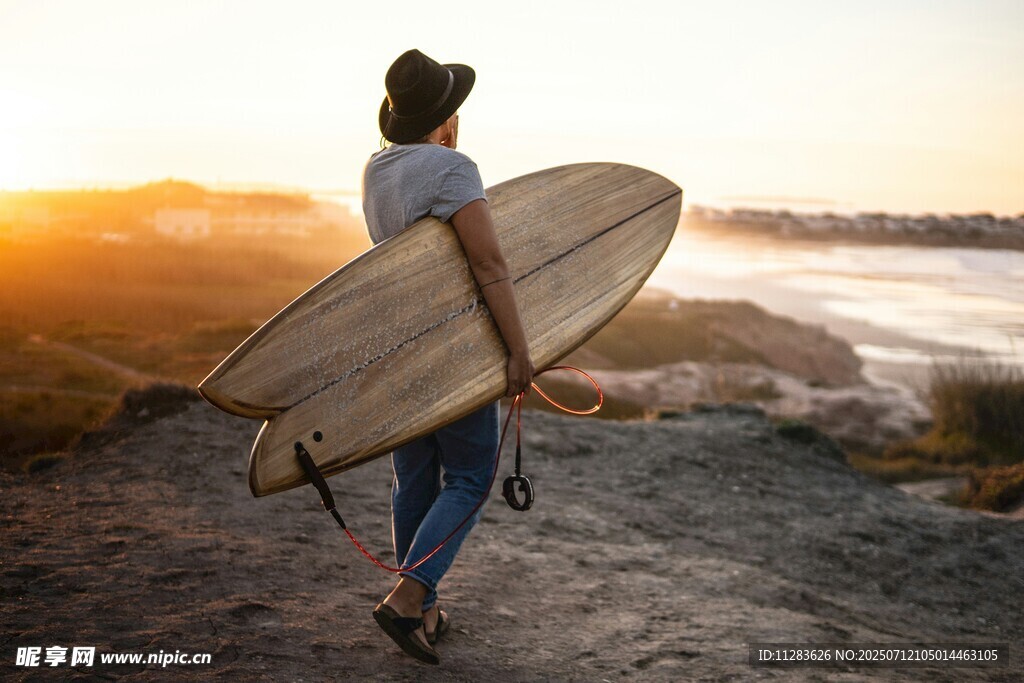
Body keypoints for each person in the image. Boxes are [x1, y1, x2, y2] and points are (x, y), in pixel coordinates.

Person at [361, 48, 535, 666]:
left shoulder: (375, 170)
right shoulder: (453, 167)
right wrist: (519, 350)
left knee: (414, 479)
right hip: (454, 350)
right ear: (447, 116)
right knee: (466, 478)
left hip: (399, 351)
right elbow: (488, 264)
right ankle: (408, 598)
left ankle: (424, 609)